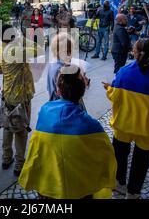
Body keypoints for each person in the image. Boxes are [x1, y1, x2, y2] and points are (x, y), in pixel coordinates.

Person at [19, 66, 117, 199]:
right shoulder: (92, 126)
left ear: (58, 91)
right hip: (79, 190)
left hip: (48, 186)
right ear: (82, 91)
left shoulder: (45, 112)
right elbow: (105, 157)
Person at [104, 38, 149, 199]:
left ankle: (119, 182)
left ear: (135, 52)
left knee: (120, 156)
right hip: (147, 127)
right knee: (141, 162)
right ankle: (133, 192)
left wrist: (108, 88)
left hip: (124, 123)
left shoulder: (124, 71)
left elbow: (115, 96)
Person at [0, 24, 35, 177]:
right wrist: (22, 37)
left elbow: (0, 70)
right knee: (21, 130)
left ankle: (6, 158)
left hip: (7, 94)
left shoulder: (0, 50)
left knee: (7, 127)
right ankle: (19, 164)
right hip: (22, 96)